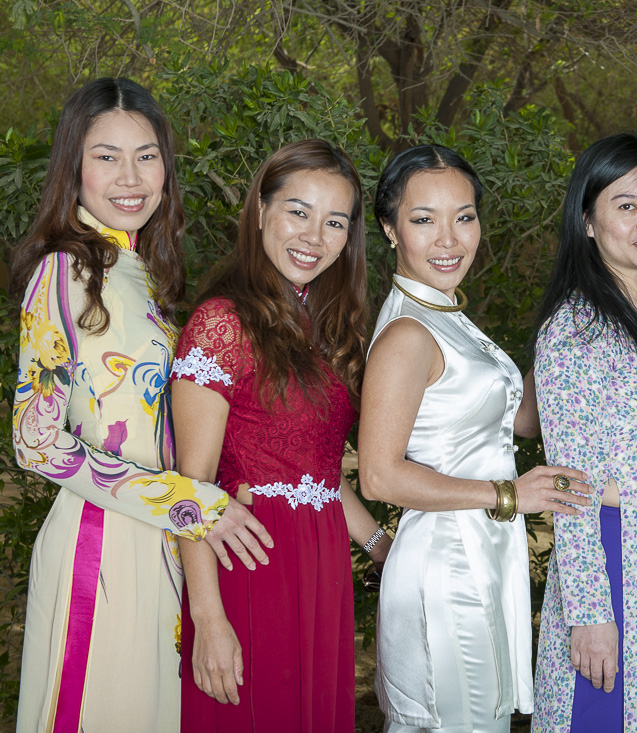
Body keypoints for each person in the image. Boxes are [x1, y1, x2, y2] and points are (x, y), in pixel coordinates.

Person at [8, 77, 269, 732]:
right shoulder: (62, 270)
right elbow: (36, 441)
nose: (131, 176)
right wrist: (189, 502)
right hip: (99, 550)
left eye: (146, 155)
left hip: (159, 547)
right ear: (73, 165)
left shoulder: (135, 270)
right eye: (107, 155)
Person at [358, 144, 591, 733]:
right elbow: (379, 475)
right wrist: (510, 495)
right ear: (389, 228)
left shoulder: (447, 317)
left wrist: (578, 311)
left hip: (481, 555)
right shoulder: (408, 334)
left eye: (464, 217)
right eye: (423, 219)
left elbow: (516, 422)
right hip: (445, 568)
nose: (449, 239)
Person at [171, 139, 390, 731]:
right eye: (299, 211)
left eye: (335, 222)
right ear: (261, 210)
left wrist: (384, 551)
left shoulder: (329, 329)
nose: (314, 236)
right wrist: (210, 621)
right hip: (249, 564)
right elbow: (188, 489)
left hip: (321, 568)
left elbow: (315, 475)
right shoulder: (221, 322)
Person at [530, 132, 637, 733]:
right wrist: (589, 614)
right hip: (616, 560)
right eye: (626, 205)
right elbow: (572, 486)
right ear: (587, 221)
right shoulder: (577, 329)